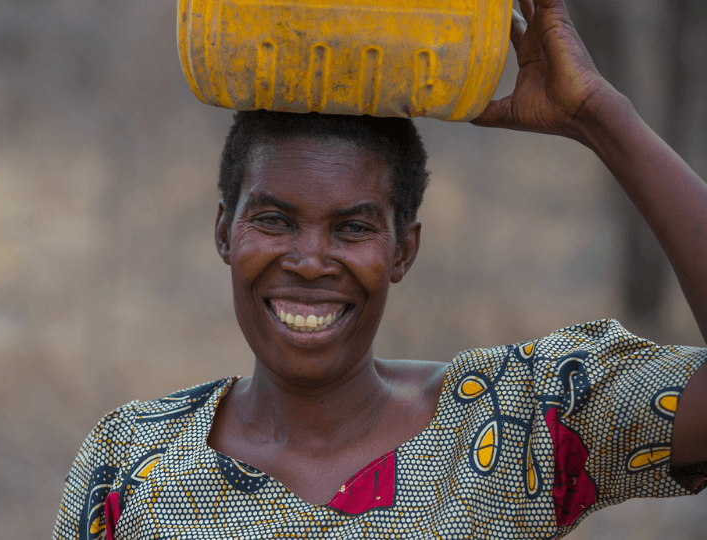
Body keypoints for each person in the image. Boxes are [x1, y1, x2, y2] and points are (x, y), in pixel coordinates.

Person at [53, 0, 707, 538]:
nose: (310, 260)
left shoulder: (518, 422)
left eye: (354, 227)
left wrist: (602, 118)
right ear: (225, 230)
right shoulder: (132, 466)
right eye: (275, 220)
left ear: (404, 249)